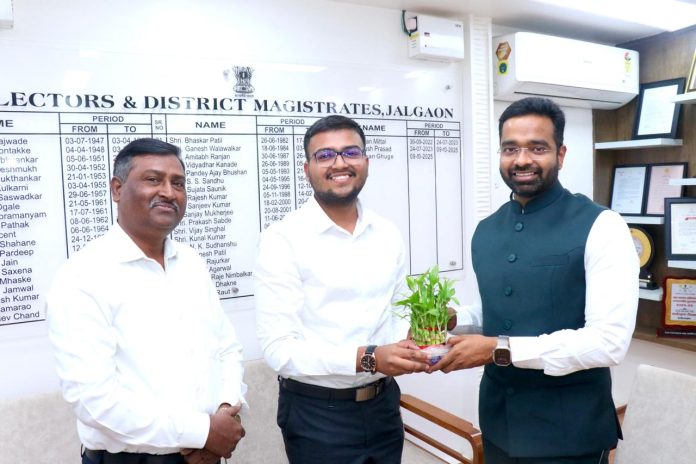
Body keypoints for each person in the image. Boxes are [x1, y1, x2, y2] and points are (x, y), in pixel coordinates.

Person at [433, 97, 639, 463]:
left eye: (537, 148)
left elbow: (609, 342)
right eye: (510, 148)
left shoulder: (603, 226)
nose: (522, 159)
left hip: (569, 433)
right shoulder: (486, 230)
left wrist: (500, 349)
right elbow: (500, 310)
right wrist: (454, 318)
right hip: (498, 422)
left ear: (561, 154)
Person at [47, 138, 246, 464]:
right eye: (153, 179)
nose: (168, 192)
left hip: (207, 453)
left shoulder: (192, 263)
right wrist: (202, 432)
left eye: (178, 183)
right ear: (117, 189)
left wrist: (225, 413)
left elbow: (226, 349)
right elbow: (94, 402)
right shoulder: (83, 276)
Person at [254, 115, 431, 464]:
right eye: (325, 155)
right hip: (318, 415)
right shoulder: (282, 239)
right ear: (307, 170)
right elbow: (279, 349)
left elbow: (397, 313)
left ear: (366, 162)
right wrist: (368, 357)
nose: (339, 163)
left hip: (384, 406)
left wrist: (416, 340)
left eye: (351, 152)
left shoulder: (387, 233)